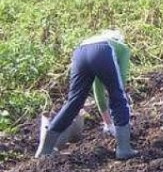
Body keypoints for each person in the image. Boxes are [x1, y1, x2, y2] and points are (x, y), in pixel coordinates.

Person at [35, 30, 137, 160]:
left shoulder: (93, 43)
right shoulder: (122, 48)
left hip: (80, 52)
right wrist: (117, 123)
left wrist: (108, 123)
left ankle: (45, 150)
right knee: (118, 96)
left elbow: (98, 89)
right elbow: (119, 86)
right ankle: (124, 149)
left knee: (74, 101)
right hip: (102, 52)